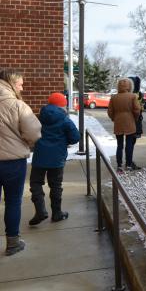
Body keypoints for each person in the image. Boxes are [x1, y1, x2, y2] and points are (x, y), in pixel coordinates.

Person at [0, 69, 41, 255]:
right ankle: (13, 243)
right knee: (13, 202)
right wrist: (25, 142)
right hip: (12, 162)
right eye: (20, 84)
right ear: (11, 83)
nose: (22, 87)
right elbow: (33, 133)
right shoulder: (18, 106)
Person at [29, 92, 81, 226]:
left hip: (40, 156)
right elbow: (75, 137)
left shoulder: (39, 117)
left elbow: (32, 132)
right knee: (56, 185)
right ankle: (57, 213)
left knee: (35, 183)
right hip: (57, 158)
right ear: (62, 105)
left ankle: (40, 211)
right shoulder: (65, 120)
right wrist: (65, 140)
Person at [108, 78, 142, 172]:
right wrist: (134, 118)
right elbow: (137, 110)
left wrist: (114, 118)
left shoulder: (114, 97)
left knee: (119, 145)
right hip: (130, 122)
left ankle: (119, 165)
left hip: (118, 122)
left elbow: (110, 111)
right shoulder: (133, 96)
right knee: (129, 144)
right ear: (130, 86)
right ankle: (128, 165)